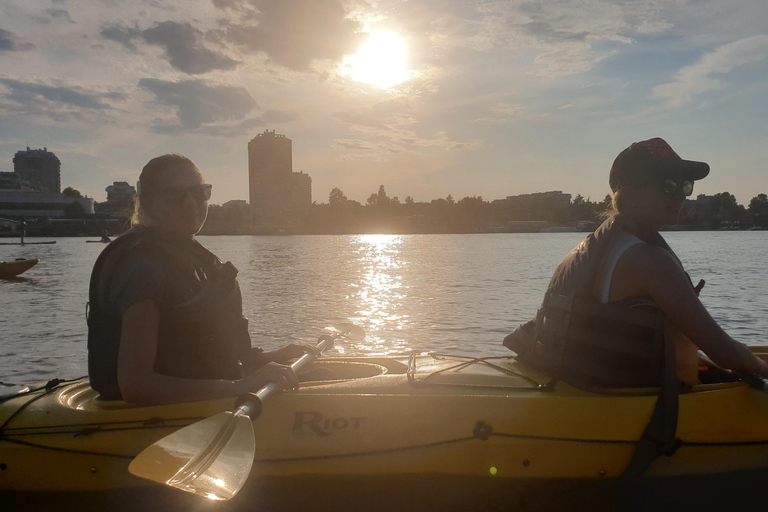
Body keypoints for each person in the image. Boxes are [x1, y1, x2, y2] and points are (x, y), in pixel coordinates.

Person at [504, 137, 768, 477]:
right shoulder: (648, 260)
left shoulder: (586, 248)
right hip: (644, 410)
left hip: (586, 384)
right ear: (626, 195)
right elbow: (726, 352)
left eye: (684, 186)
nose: (679, 197)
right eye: (667, 186)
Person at [87, 154, 315, 405]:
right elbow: (135, 386)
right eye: (174, 195)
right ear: (148, 203)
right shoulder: (143, 270)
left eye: (199, 193)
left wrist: (272, 357)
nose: (190, 204)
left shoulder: (186, 257)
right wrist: (241, 386)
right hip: (153, 419)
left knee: (327, 373)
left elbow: (214, 353)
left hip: (213, 392)